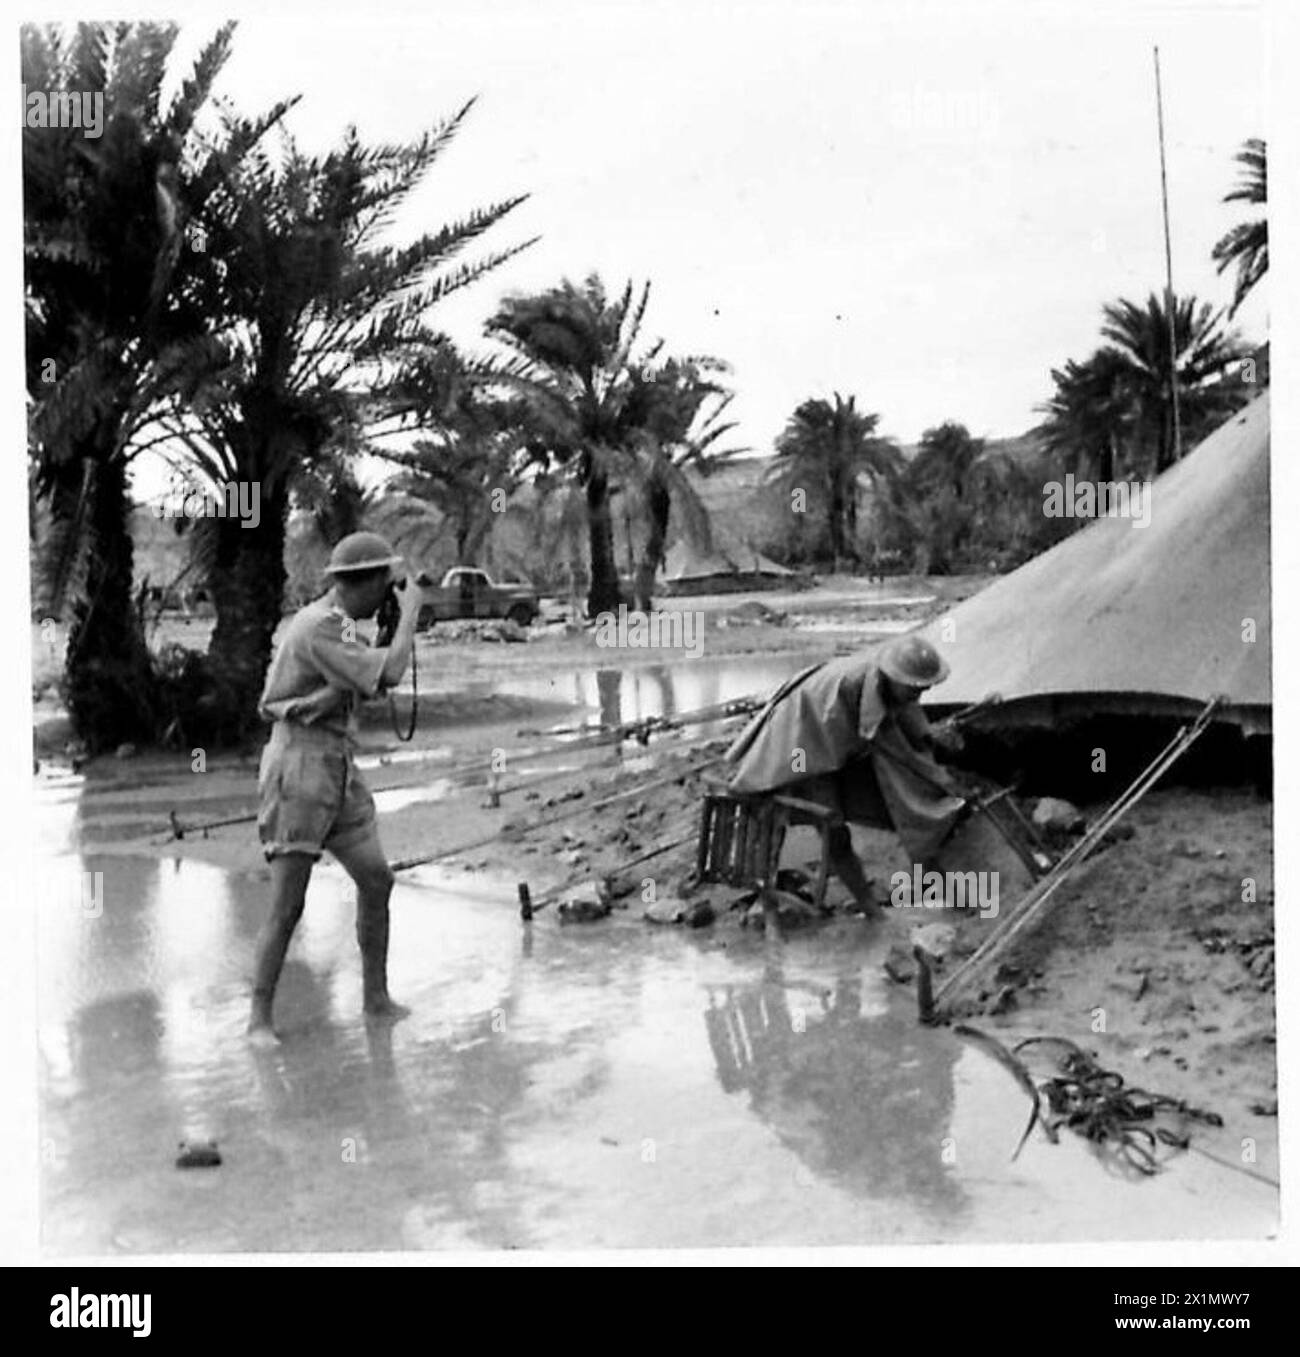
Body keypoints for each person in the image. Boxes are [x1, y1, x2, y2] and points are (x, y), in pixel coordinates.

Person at [248, 531, 423, 1045]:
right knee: (288, 905)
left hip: (335, 762)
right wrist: (411, 613)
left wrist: (332, 693)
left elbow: (355, 682)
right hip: (299, 767)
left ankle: (375, 999)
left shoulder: (340, 627)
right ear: (361, 584)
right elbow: (388, 673)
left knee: (376, 879)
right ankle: (258, 1019)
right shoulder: (320, 626)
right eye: (383, 586)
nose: (386, 596)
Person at [725, 634, 967, 910]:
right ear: (895, 677)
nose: (919, 695)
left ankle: (935, 890)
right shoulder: (864, 689)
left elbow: (911, 726)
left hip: (832, 743)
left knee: (902, 809)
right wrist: (940, 780)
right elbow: (897, 751)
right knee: (832, 826)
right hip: (800, 746)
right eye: (915, 688)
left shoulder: (891, 684)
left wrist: (931, 739)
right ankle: (869, 911)